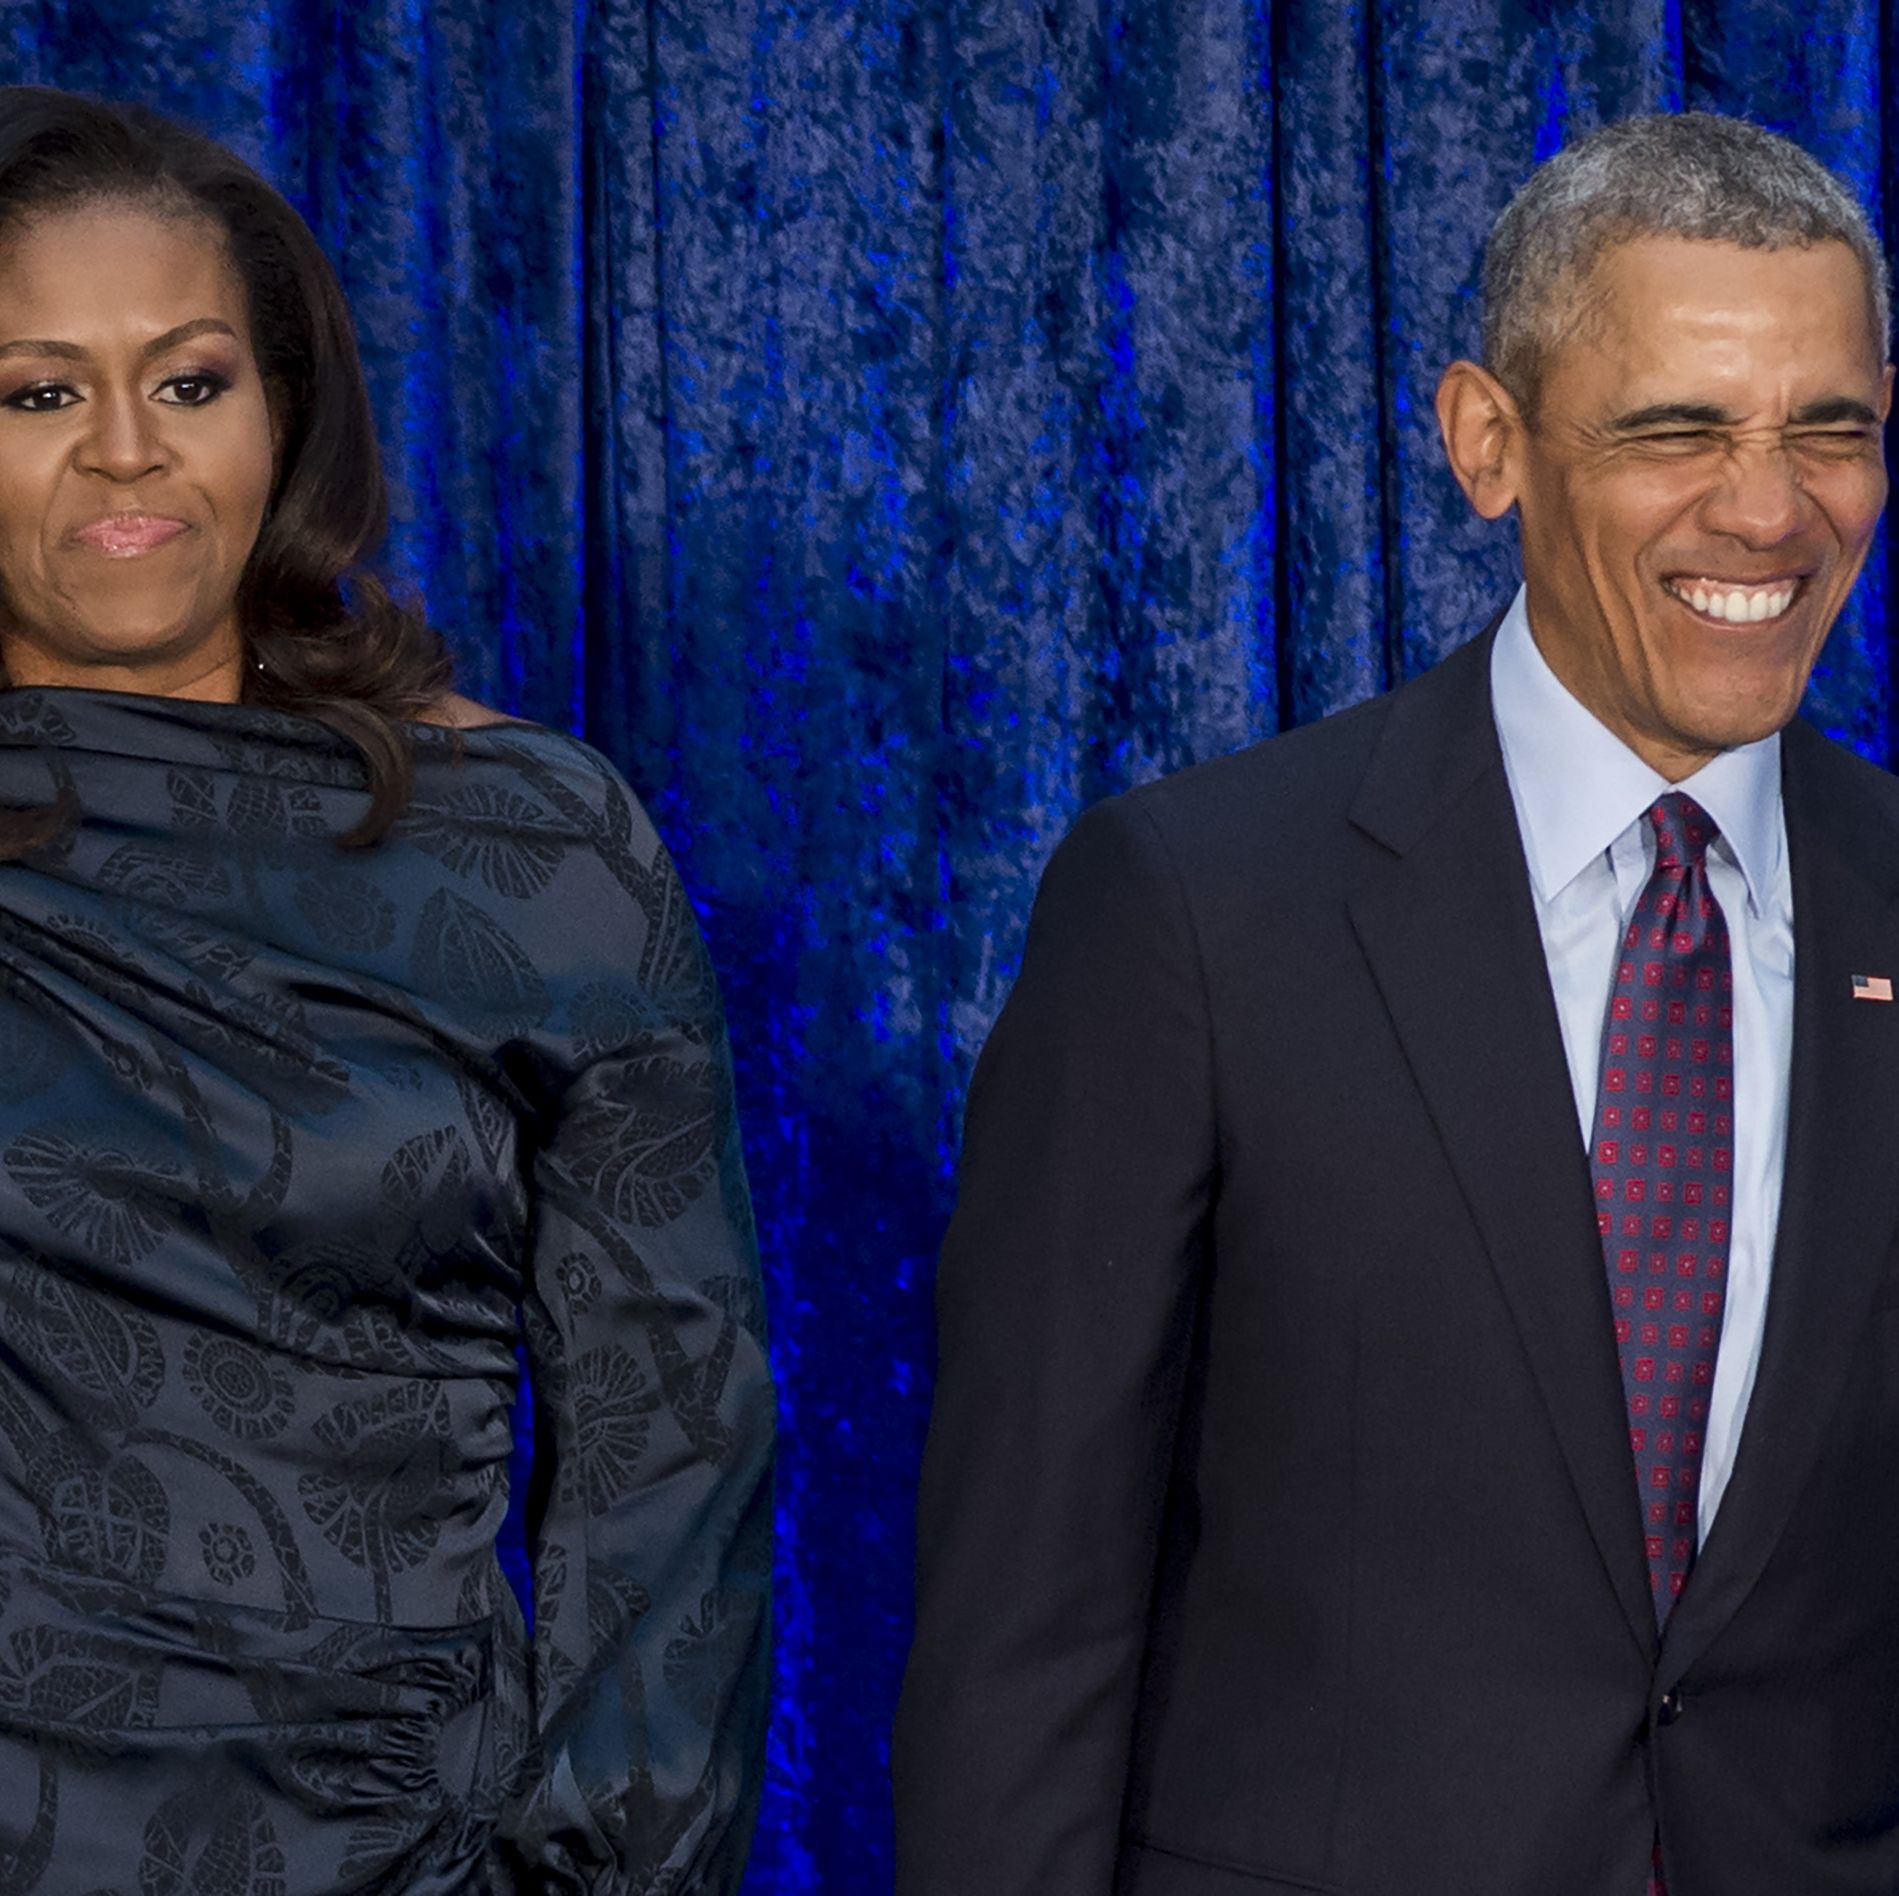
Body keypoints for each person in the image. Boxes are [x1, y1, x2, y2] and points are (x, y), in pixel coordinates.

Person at [894, 111, 1899, 1895]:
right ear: (1486, 443)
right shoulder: (1194, 908)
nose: (1771, 506)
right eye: (1678, 429)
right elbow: (1024, 1627)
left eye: (1832, 430)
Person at [0, 87, 772, 1893]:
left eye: (190, 382)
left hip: (403, 1854)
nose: (128, 453)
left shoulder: (533, 846)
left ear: (283, 408)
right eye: (35, 395)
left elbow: (675, 1460)